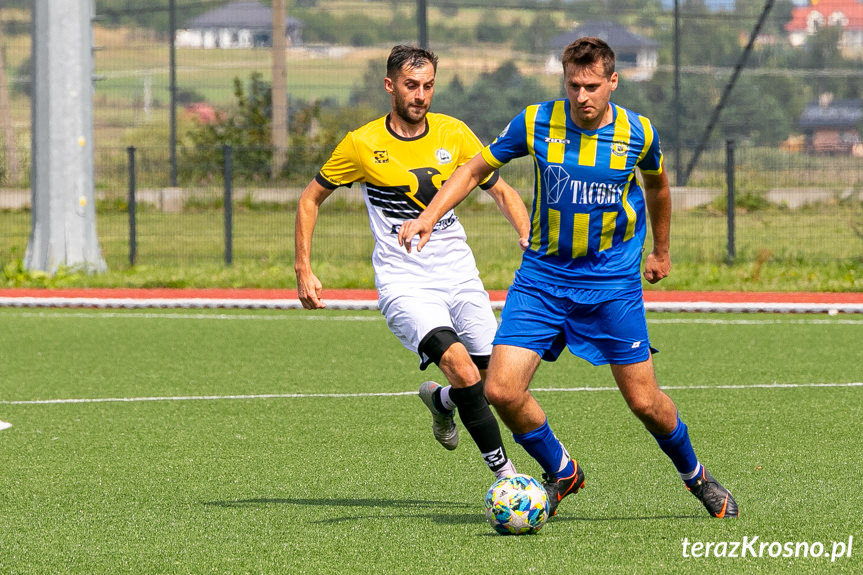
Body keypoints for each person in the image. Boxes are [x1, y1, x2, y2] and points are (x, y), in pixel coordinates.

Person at [398, 37, 738, 518]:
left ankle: (697, 477)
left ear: (613, 82)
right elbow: (474, 168)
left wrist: (661, 250)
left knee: (644, 402)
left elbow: (658, 188)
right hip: (542, 277)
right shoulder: (536, 121)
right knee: (500, 390)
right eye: (574, 85)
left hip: (611, 285)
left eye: (593, 86)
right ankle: (562, 469)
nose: (582, 96)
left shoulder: (638, 133)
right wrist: (430, 216)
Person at [294, 45, 531, 480]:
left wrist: (526, 233)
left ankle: (441, 403)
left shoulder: (454, 133)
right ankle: (507, 477)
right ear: (390, 86)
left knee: (492, 383)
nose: (420, 95)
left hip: (459, 273)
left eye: (428, 86)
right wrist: (303, 269)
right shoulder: (361, 144)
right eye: (411, 86)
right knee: (461, 367)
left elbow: (500, 189)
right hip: (405, 282)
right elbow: (310, 198)